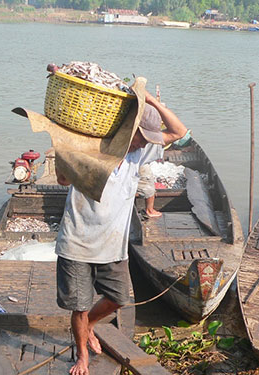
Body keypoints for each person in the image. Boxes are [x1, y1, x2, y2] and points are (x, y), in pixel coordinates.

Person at [55, 91, 188, 375]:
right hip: (76, 242)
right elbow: (62, 178)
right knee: (78, 306)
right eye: (141, 136)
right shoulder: (92, 149)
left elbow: (179, 131)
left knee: (118, 298)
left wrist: (152, 102)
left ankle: (89, 325)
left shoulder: (140, 153)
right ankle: (82, 356)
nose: (143, 143)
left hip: (113, 246)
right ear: (129, 131)